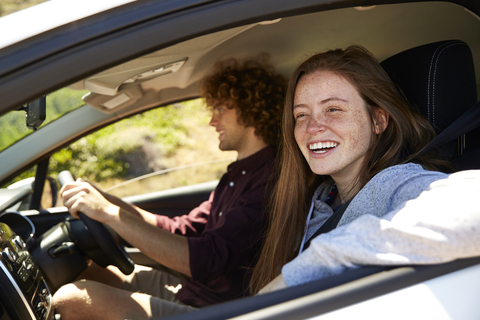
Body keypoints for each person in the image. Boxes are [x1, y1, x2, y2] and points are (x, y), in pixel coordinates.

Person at [53, 57, 287, 319]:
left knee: (69, 300)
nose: (212, 121)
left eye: (221, 109)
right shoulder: (238, 173)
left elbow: (206, 259)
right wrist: (110, 202)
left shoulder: (270, 181)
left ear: (253, 109)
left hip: (214, 309)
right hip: (190, 290)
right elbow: (182, 229)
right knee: (83, 269)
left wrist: (108, 213)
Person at [250, 45, 480, 294]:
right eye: (302, 115)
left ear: (378, 120)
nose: (312, 127)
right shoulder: (319, 197)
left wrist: (321, 259)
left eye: (333, 109)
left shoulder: (392, 184)